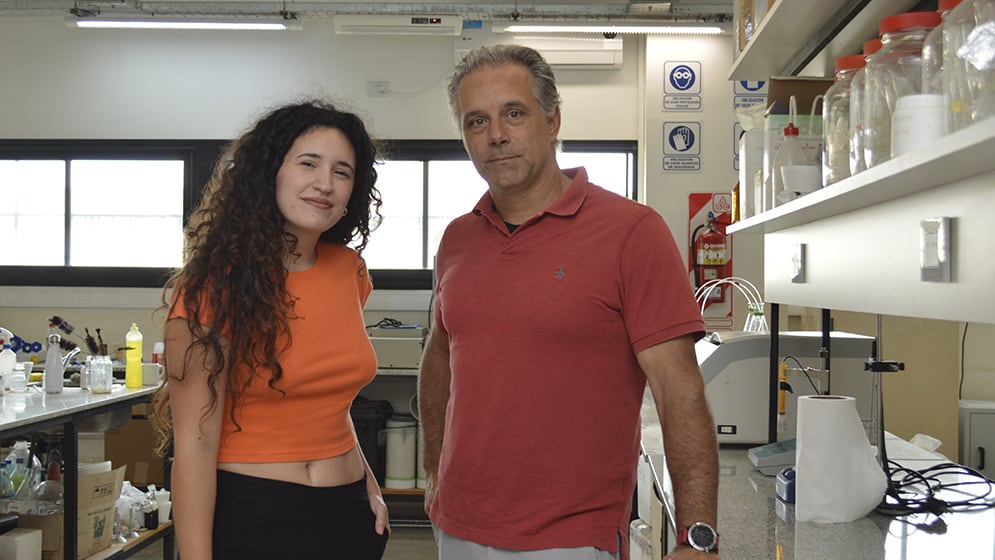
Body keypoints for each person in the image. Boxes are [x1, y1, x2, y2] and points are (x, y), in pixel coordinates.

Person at [418, 44, 720, 560]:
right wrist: (432, 474)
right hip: (458, 529)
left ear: (552, 119)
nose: (496, 135)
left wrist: (698, 535)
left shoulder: (632, 232)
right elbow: (441, 357)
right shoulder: (457, 239)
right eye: (476, 121)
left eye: (514, 113)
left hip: (573, 539)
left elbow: (678, 390)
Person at [150, 99, 389, 560]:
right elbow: (195, 447)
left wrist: (371, 486)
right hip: (255, 515)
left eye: (342, 171)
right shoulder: (213, 286)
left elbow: (333, 404)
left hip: (349, 514)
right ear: (269, 173)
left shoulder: (349, 270)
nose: (325, 183)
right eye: (308, 164)